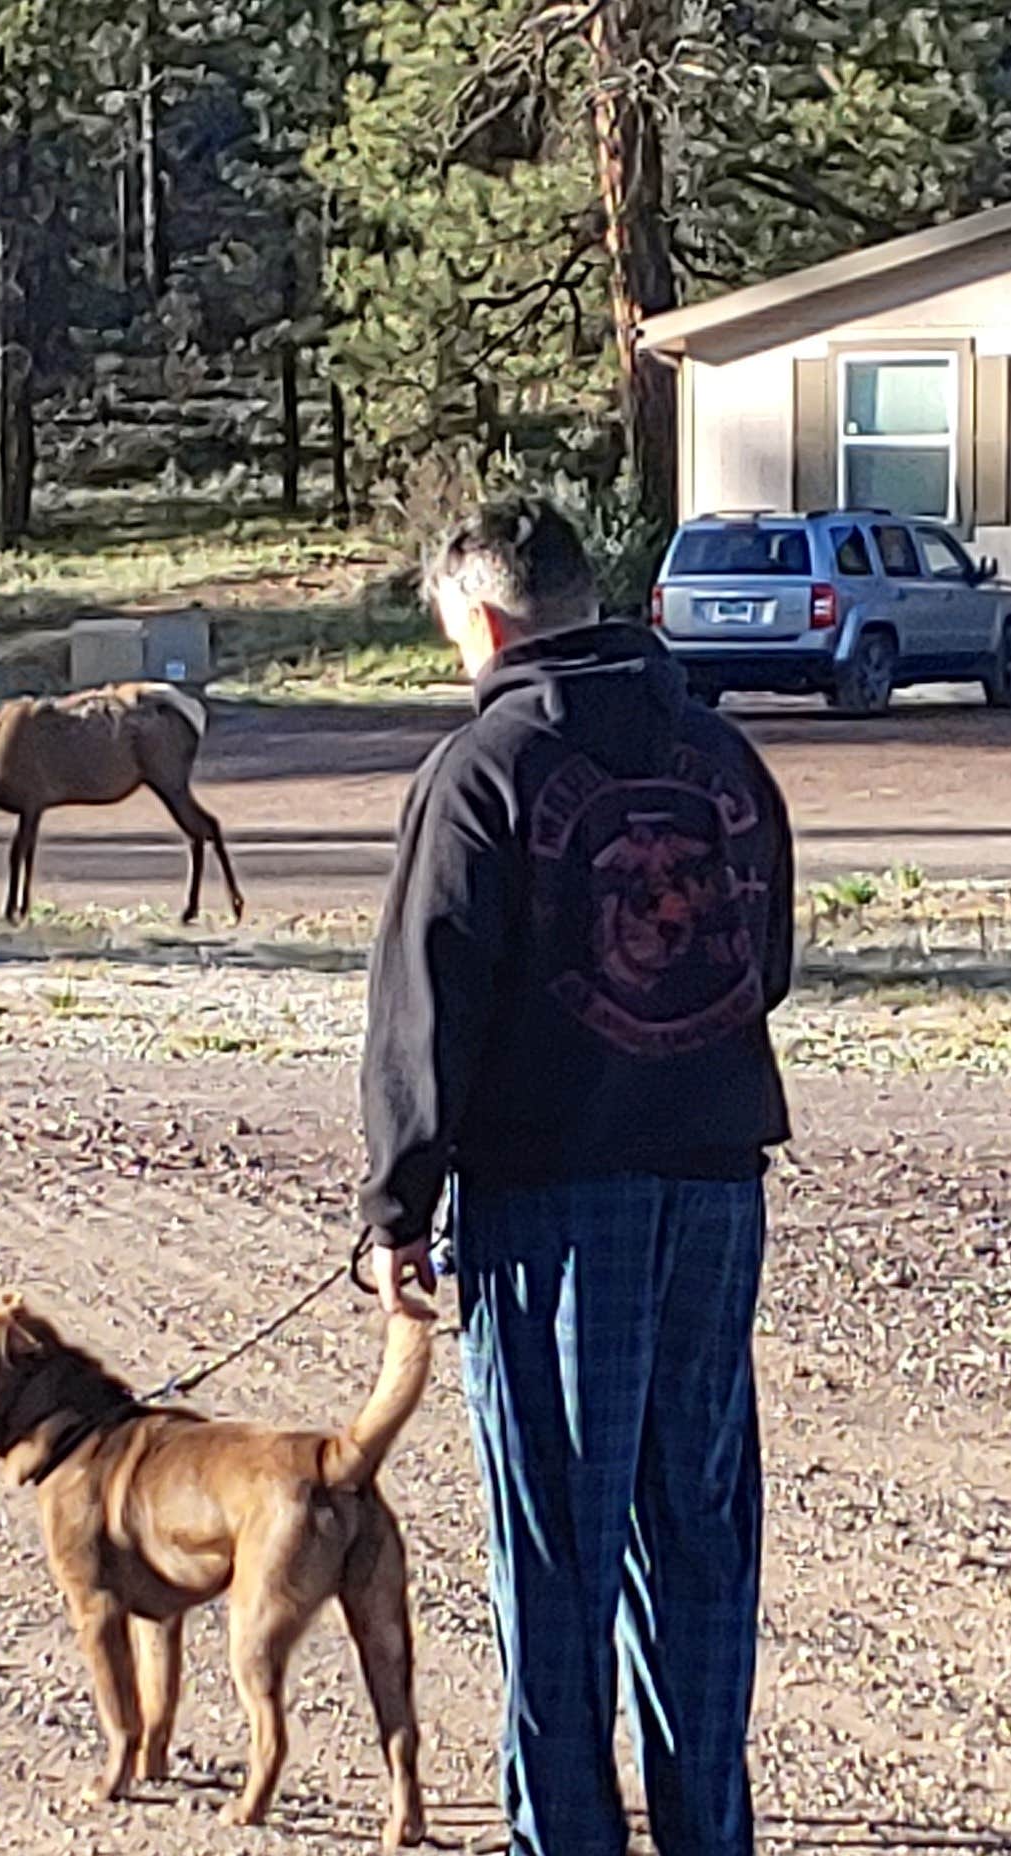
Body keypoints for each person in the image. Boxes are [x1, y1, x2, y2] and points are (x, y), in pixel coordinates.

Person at [359, 498, 794, 1856]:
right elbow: (760, 963)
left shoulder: (481, 767)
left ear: (481, 622)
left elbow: (427, 1005)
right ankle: (704, 1834)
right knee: (697, 1536)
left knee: (556, 1549)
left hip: (557, 1194)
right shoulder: (721, 754)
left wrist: (395, 1206)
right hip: (717, 1182)